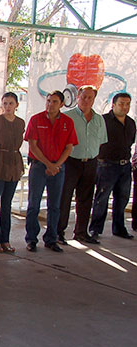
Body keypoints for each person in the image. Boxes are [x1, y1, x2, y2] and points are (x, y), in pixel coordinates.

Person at [24, 91, 78, 252]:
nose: (50, 104)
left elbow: (69, 147)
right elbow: (33, 145)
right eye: (48, 101)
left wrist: (57, 165)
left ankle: (51, 238)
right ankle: (31, 239)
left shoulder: (68, 122)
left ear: (62, 104)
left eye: (54, 101)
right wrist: (48, 164)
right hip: (39, 167)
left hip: (58, 168)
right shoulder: (36, 119)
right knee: (34, 204)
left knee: (54, 205)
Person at [58, 86, 107, 245]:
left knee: (86, 199)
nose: (86, 100)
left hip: (91, 163)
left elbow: (99, 142)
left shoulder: (99, 119)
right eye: (84, 97)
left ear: (94, 99)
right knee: (64, 198)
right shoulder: (67, 117)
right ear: (77, 96)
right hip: (71, 162)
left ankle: (81, 232)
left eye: (90, 98)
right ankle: (59, 232)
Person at [89, 93, 136, 240]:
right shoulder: (103, 120)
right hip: (106, 165)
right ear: (113, 104)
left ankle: (119, 228)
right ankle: (95, 229)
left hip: (125, 166)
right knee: (102, 198)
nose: (124, 107)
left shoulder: (131, 122)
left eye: (127, 104)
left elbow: (130, 142)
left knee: (122, 199)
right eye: (121, 103)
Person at [0, 92, 25, 253]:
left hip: (14, 162)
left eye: (11, 103)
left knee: (7, 204)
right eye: (5, 103)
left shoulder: (21, 123)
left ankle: (5, 239)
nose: (8, 106)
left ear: (16, 105)